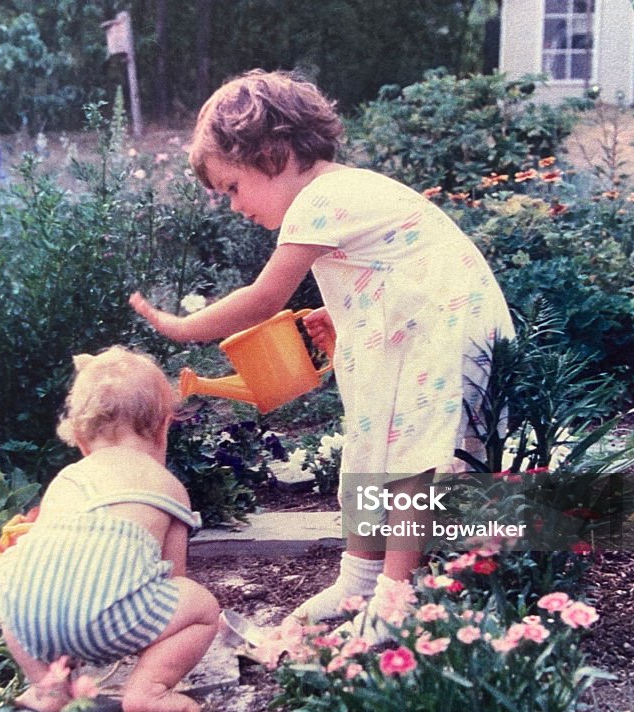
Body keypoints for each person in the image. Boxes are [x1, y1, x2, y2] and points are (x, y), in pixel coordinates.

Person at [130, 70, 513, 643]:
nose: (233, 206)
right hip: (417, 326)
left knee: (408, 464)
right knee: (369, 448)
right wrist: (348, 314)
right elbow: (393, 263)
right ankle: (358, 578)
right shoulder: (341, 193)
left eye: (232, 187)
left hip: (443, 331)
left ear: (274, 153)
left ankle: (396, 596)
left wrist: (185, 328)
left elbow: (264, 297)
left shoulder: (320, 200)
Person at [0, 346, 219, 712]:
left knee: (13, 580)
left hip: (32, 620)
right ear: (164, 427)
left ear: (81, 440)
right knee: (199, 605)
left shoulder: (65, 479)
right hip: (107, 623)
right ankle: (148, 689)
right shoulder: (166, 486)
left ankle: (48, 687)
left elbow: (52, 558)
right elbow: (173, 577)